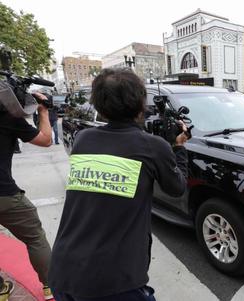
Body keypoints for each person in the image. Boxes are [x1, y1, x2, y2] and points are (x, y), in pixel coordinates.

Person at [48, 68, 189, 301]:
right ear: (140, 103)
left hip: (63, 272)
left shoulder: (84, 139)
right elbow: (177, 188)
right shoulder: (153, 147)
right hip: (114, 283)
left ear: (99, 106)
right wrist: (179, 148)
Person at [0, 93, 54, 300]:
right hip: (4, 194)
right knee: (35, 237)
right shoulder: (8, 117)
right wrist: (43, 111)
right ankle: (50, 284)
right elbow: (46, 140)